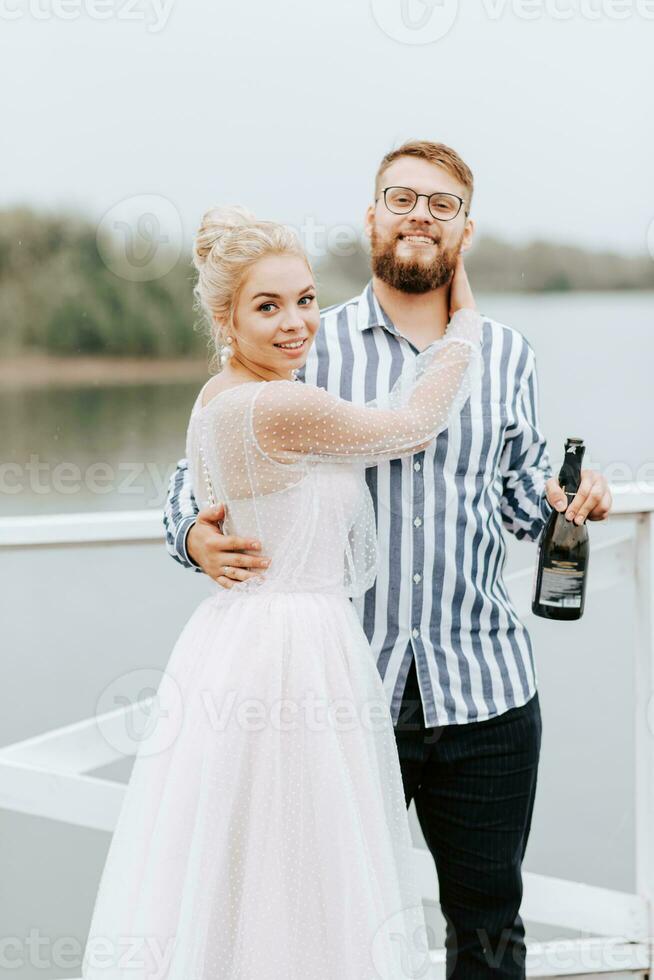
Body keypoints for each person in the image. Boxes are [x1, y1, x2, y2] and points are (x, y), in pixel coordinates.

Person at [164, 141, 613, 978]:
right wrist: (191, 535)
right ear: (371, 216)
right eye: (400, 198)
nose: (419, 215)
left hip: (486, 689)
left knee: (488, 929)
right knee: (321, 925)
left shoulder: (508, 357)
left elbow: (515, 496)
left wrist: (566, 497)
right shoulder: (301, 338)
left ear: (465, 231)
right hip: (341, 695)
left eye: (441, 205)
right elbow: (194, 479)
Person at [82, 203, 482, 980]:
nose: (298, 322)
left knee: (252, 863)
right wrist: (464, 326)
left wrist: (196, 534)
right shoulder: (278, 404)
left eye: (306, 299)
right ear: (225, 318)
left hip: (245, 639)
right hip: (291, 655)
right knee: (301, 860)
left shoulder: (219, 396)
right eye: (269, 307)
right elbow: (412, 426)